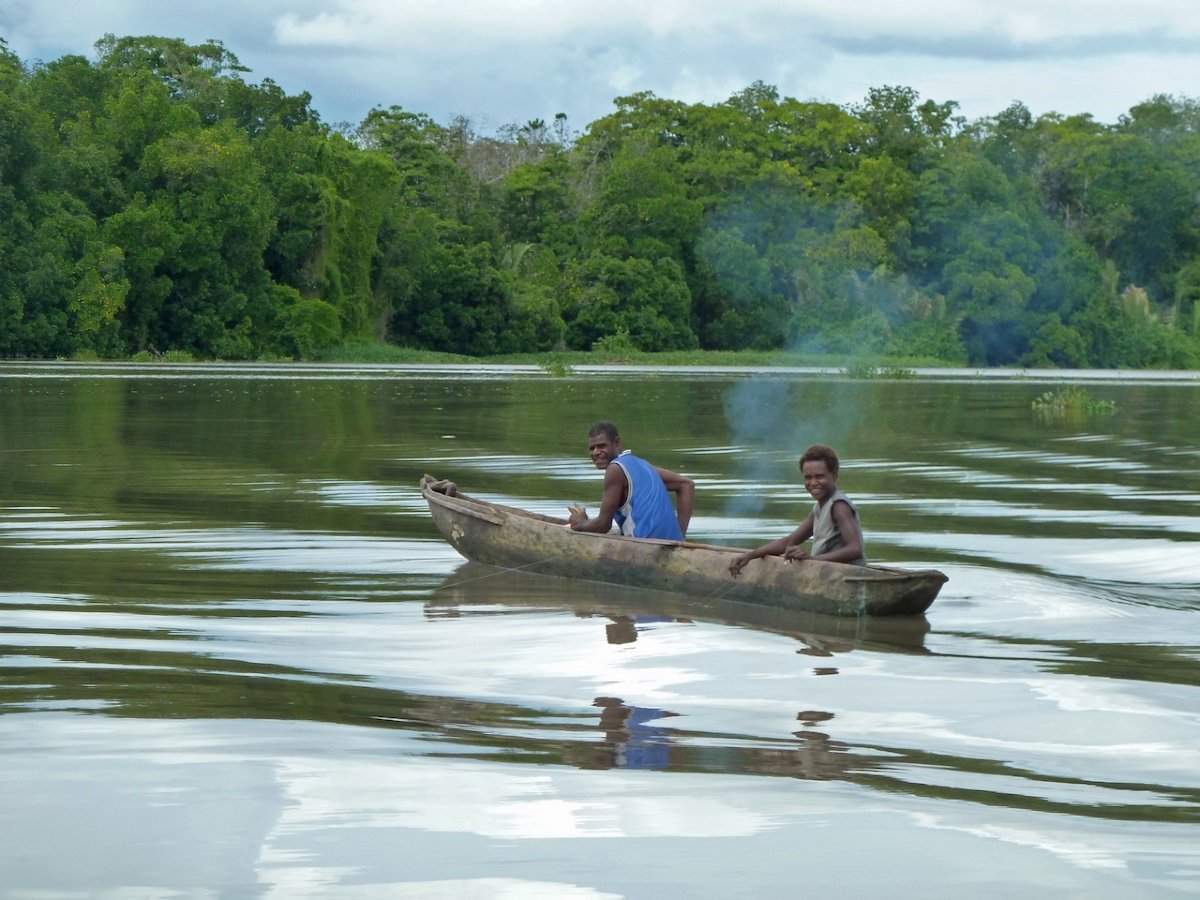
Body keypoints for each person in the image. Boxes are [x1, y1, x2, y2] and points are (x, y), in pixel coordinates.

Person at [728, 444, 866, 576]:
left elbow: (855, 549)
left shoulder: (839, 506)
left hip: (847, 574)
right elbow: (789, 542)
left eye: (819, 476)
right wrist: (751, 555)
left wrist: (811, 559)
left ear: (834, 475)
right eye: (808, 477)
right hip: (830, 572)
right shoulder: (819, 508)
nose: (813, 483)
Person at [567, 421, 694, 540]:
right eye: (592, 448)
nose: (596, 452)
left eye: (601, 446)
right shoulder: (642, 465)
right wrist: (679, 538)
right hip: (668, 543)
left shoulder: (614, 469)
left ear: (616, 443)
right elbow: (686, 484)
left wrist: (580, 523)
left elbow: (603, 526)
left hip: (645, 546)